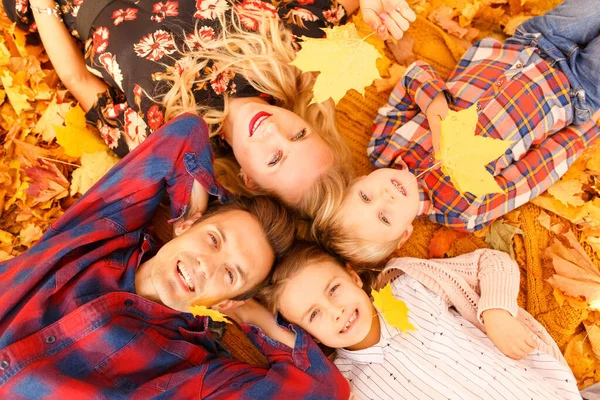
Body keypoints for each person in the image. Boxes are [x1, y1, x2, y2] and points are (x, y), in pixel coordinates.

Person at [0, 114, 350, 398]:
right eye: (213, 240)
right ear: (188, 226)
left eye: (230, 274)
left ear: (225, 303)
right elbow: (186, 133)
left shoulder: (193, 372)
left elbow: (322, 388)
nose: (206, 264)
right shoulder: (105, 231)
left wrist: (248, 311)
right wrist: (192, 215)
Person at [3, 0, 415, 210]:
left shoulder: (168, 138)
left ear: (249, 180)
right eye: (299, 134)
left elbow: (79, 81)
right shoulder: (291, 51)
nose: (274, 130)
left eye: (275, 158)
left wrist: (40, 4)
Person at [311, 0, 600, 265]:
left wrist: (438, 118)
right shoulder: (465, 211)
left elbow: (415, 76)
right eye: (385, 218)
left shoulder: (384, 145)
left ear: (359, 179)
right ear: (404, 235)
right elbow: (535, 172)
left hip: (531, 42)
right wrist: (586, 132)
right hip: (575, 90)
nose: (384, 196)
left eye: (365, 196)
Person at [260, 242, 582, 400]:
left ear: (352, 276)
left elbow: (490, 262)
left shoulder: (410, 289)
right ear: (305, 333)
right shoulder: (346, 384)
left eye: (334, 289)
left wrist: (495, 311)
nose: (335, 311)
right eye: (314, 314)